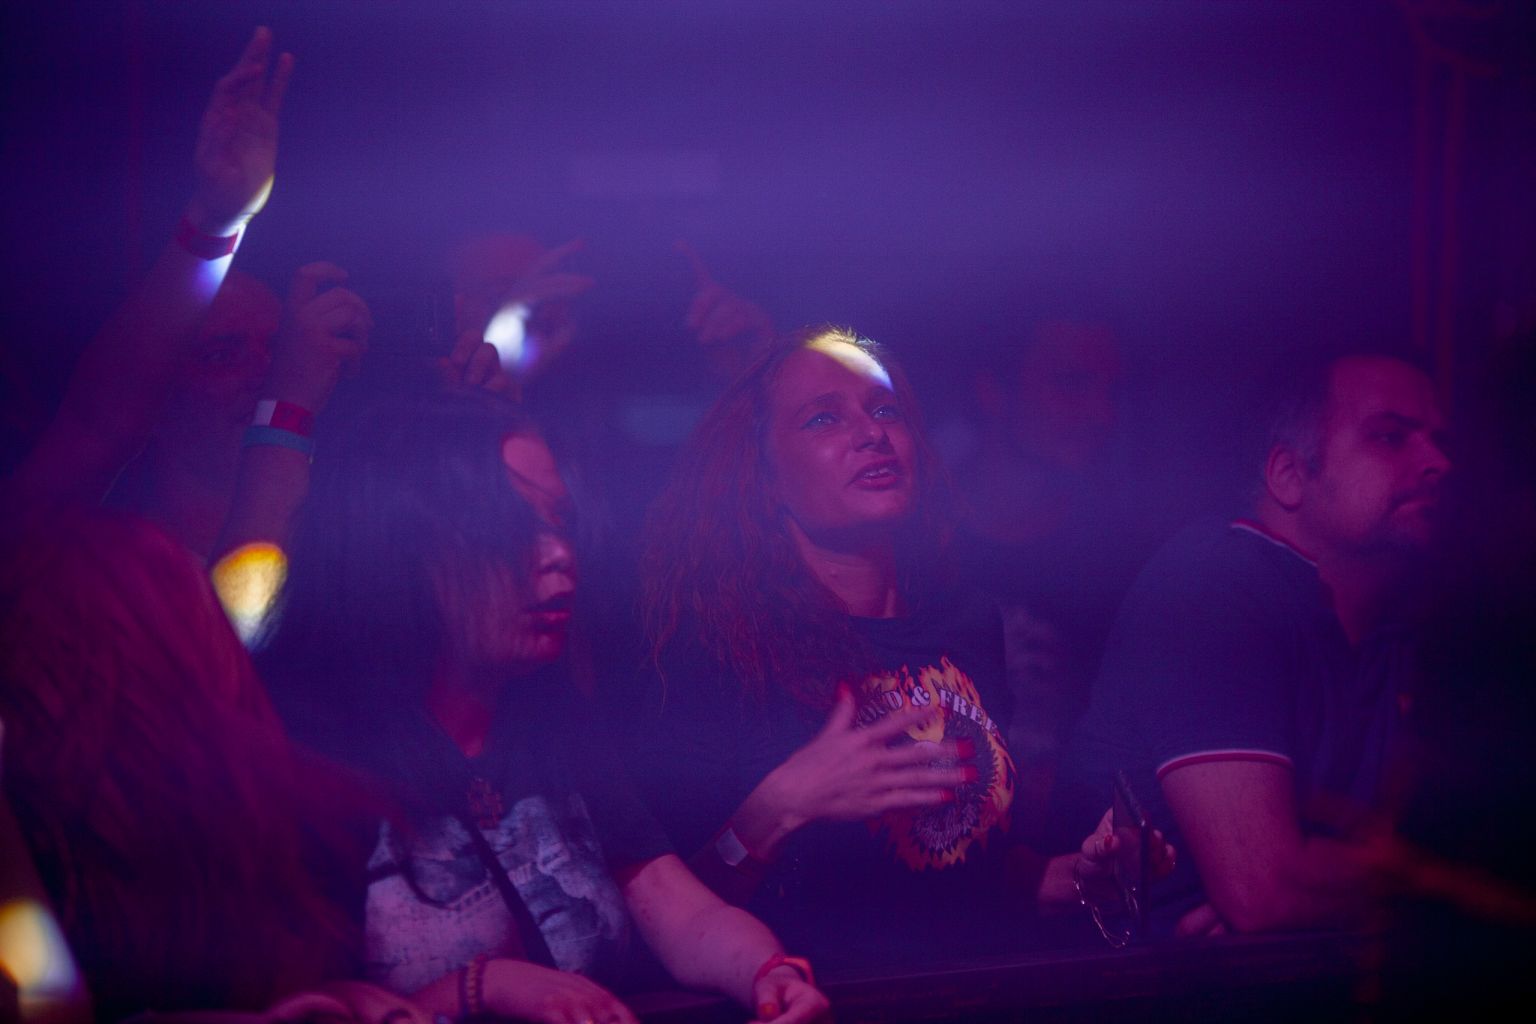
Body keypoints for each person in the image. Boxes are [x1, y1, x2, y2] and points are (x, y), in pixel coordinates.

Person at [257, 386, 828, 1024]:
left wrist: (770, 974)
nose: (559, 553)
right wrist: (482, 988)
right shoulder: (299, 755)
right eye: (510, 527)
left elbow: (680, 911)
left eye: (558, 522)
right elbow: (285, 1011)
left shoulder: (554, 724)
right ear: (401, 545)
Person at [629, 326, 1152, 972]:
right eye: (824, 418)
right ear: (764, 479)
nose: (871, 433)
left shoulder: (966, 624)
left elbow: (971, 877)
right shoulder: (721, 650)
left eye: (885, 410)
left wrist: (1080, 876)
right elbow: (671, 918)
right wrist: (775, 811)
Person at [1055, 347, 1453, 937]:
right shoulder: (1217, 584)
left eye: (1439, 441)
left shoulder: (1405, 623)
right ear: (1288, 474)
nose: (1438, 463)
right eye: (1390, 437)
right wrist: (1447, 882)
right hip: (1130, 985)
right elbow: (1266, 891)